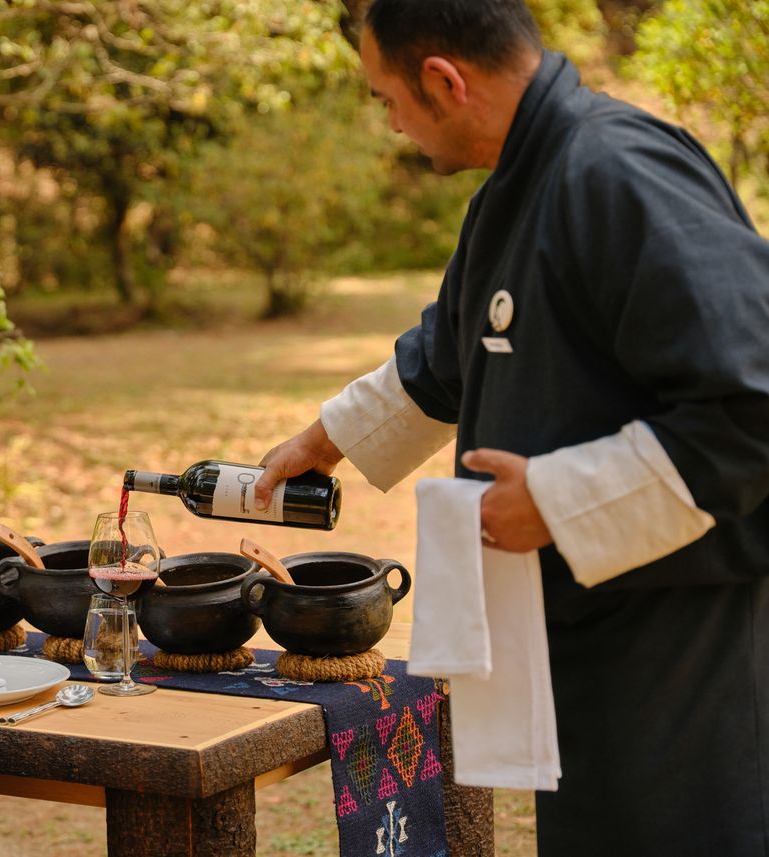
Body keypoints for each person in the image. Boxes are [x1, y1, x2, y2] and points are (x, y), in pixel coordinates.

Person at [253, 1, 769, 853]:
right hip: (580, 641)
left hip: (677, 657)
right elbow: (450, 350)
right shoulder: (514, 189)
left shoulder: (618, 173)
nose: (390, 125)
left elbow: (751, 400)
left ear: (443, 81)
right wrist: (324, 439)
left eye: (387, 100)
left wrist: (560, 501)